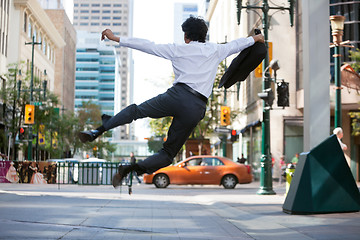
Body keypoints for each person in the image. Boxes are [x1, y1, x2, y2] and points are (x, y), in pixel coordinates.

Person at [78, 16, 265, 188]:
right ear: (204, 35)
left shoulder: (178, 49)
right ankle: (129, 170)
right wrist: (256, 39)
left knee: (136, 111)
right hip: (196, 107)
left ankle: (98, 130)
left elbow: (147, 45)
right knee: (168, 154)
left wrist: (116, 38)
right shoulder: (216, 50)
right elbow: (238, 44)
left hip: (176, 96)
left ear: (186, 36)